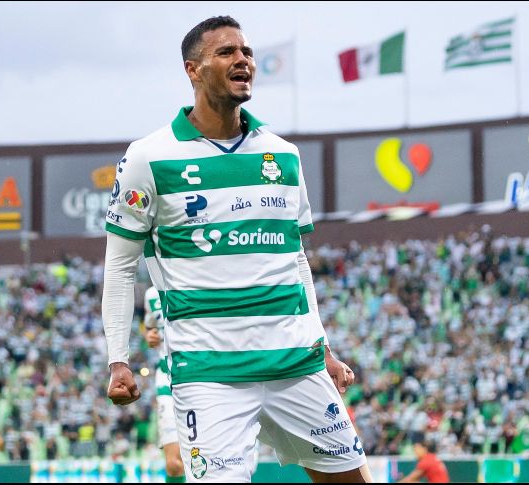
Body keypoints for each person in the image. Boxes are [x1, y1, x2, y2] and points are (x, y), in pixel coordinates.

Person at [101, 15, 371, 483]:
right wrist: (118, 359)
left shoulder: (282, 153)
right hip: (210, 376)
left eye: (246, 52)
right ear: (193, 70)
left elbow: (295, 260)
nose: (242, 59)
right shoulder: (148, 156)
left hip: (295, 362)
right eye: (226, 52)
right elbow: (121, 267)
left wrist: (322, 345)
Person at [142, 285, 185, 482]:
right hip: (166, 380)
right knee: (174, 465)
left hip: (201, 375)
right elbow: (151, 329)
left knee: (208, 458)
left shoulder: (198, 281)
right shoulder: (151, 295)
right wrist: (150, 336)